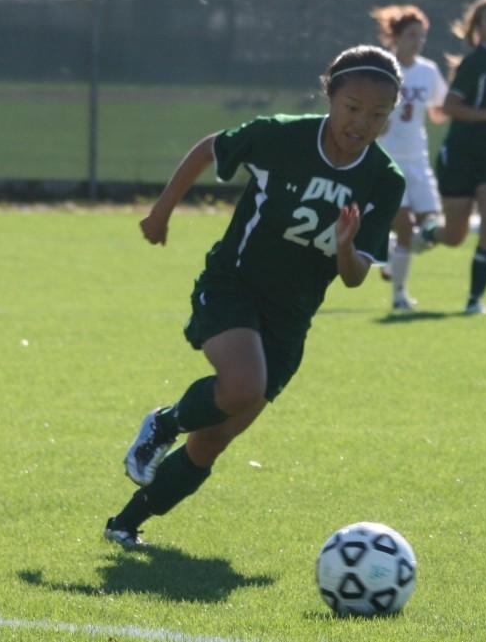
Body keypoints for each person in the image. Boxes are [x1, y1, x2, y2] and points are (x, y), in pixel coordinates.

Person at [104, 45, 405, 549]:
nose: (362, 123)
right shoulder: (282, 135)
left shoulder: (383, 179)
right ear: (329, 94)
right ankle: (163, 423)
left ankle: (125, 524)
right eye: (353, 107)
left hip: (291, 318)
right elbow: (209, 149)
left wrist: (347, 247)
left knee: (215, 438)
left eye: (378, 115)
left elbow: (353, 279)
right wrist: (160, 213)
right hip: (233, 285)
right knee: (242, 385)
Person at [414, 0, 486, 314]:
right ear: (477, 27)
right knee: (454, 236)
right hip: (461, 155)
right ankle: (426, 232)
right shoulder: (476, 63)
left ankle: (474, 299)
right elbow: (449, 107)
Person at [370, 5, 447, 311]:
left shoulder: (428, 71)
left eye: (422, 36)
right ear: (396, 37)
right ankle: (399, 296)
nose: (418, 41)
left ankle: (390, 254)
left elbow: (440, 108)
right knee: (404, 226)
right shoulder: (382, 69)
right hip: (388, 160)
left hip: (418, 160)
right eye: (412, 35)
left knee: (432, 231)